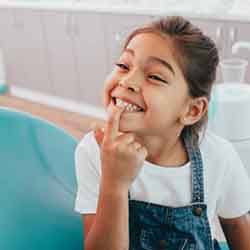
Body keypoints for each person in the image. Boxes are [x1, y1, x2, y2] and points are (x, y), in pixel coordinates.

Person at [74, 16, 250, 250]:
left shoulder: (219, 157)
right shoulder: (93, 151)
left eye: (155, 76)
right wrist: (114, 183)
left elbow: (239, 231)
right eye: (124, 65)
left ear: (192, 110)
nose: (127, 81)